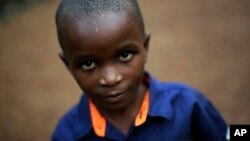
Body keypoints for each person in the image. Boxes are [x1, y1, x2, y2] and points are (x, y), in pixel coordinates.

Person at [52, 0, 228, 140]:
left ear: (145, 47)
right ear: (68, 65)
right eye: (88, 64)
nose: (111, 78)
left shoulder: (188, 104)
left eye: (125, 55)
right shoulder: (67, 134)